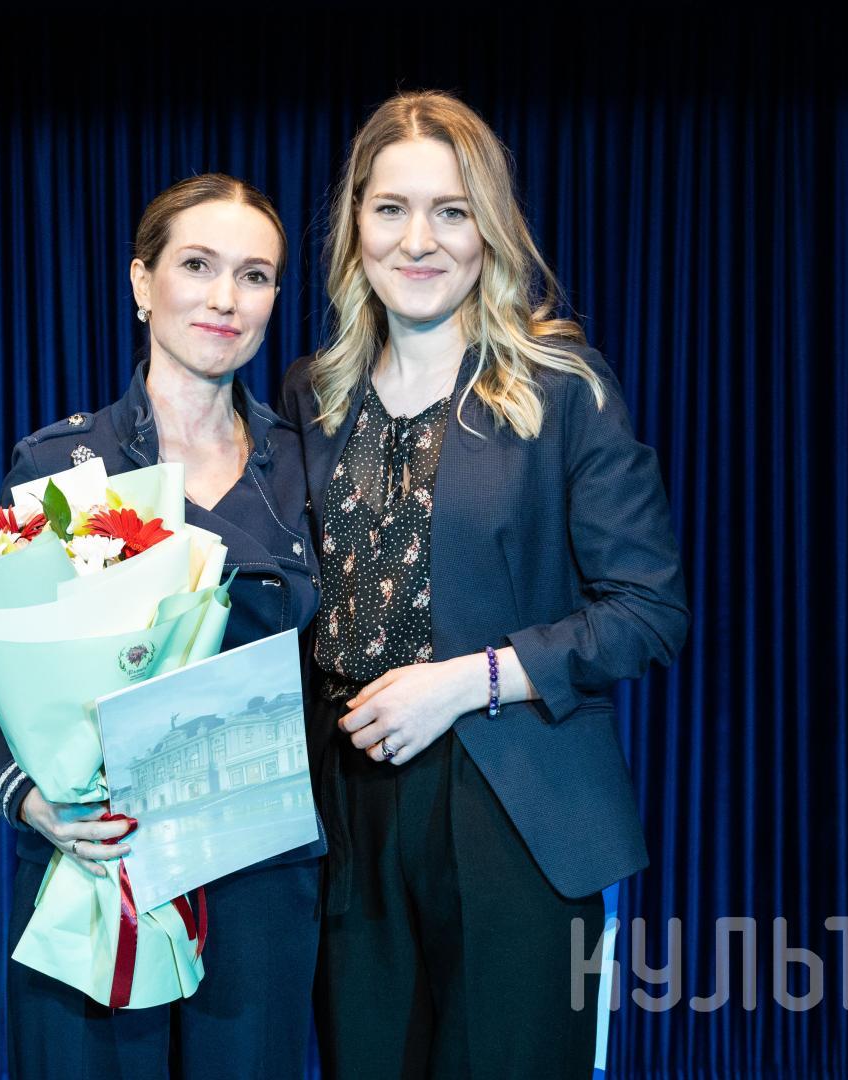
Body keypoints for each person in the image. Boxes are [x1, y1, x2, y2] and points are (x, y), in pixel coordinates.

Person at [278, 91, 690, 1079]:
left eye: (451, 212)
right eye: (391, 209)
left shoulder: (561, 387)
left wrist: (469, 681)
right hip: (345, 812)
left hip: (513, 804)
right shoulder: (310, 395)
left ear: (489, 229)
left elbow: (649, 613)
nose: (418, 240)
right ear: (355, 225)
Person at [0, 174, 322, 1079]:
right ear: (140, 282)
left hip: (259, 874)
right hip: (96, 860)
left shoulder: (309, 468)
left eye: (254, 275)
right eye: (197, 266)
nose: (225, 298)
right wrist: (30, 800)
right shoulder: (59, 462)